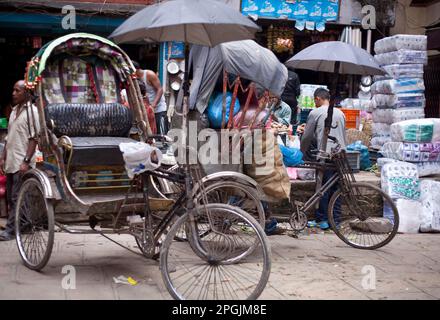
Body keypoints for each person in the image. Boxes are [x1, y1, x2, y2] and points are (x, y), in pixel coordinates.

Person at [297, 88, 346, 230]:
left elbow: (306, 137)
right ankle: (336, 220)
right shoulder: (340, 113)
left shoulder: (316, 112)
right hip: (340, 154)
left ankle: (322, 219)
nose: (314, 103)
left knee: (324, 187)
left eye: (314, 100)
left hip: (325, 154)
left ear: (318, 99)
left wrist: (300, 153)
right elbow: (343, 134)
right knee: (337, 187)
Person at [0, 80, 40, 241]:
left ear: (26, 93)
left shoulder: (32, 113)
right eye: (13, 90)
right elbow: (9, 137)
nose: (13, 93)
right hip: (11, 161)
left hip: (21, 162)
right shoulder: (14, 110)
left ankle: (11, 230)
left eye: (17, 91)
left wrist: (26, 160)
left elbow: (34, 138)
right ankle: (25, 225)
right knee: (12, 197)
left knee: (17, 197)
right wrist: (3, 157)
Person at [133, 61, 168, 135]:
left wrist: (153, 106)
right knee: (149, 134)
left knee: (161, 135)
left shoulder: (149, 74)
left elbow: (160, 89)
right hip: (147, 111)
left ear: (135, 70)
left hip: (158, 109)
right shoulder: (134, 78)